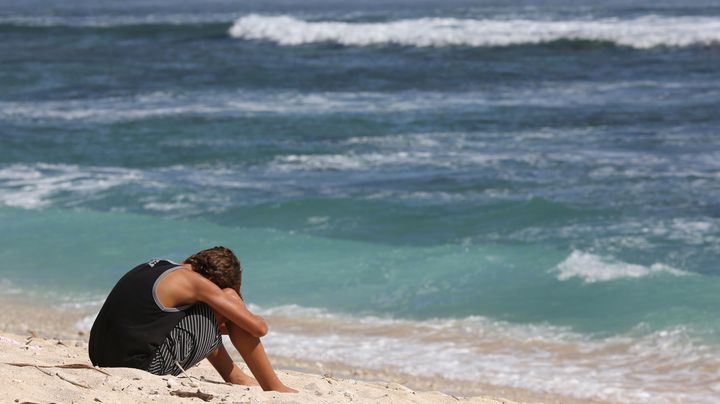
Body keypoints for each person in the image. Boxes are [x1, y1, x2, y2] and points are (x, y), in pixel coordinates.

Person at [88, 246, 296, 393]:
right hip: (139, 367)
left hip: (101, 357)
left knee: (210, 312)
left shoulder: (160, 266)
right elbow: (258, 329)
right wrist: (236, 307)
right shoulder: (196, 283)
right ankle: (273, 386)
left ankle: (236, 376)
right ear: (213, 281)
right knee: (230, 299)